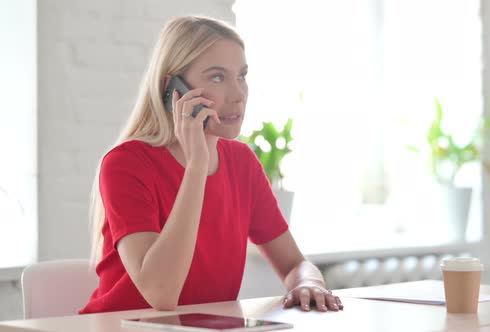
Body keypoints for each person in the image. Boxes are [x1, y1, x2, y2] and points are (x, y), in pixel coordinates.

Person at [79, 16, 343, 314]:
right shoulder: (126, 164)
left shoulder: (241, 162)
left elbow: (295, 264)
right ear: (173, 89)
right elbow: (161, 295)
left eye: (241, 76)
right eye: (217, 77)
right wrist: (196, 167)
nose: (238, 94)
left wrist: (309, 283)